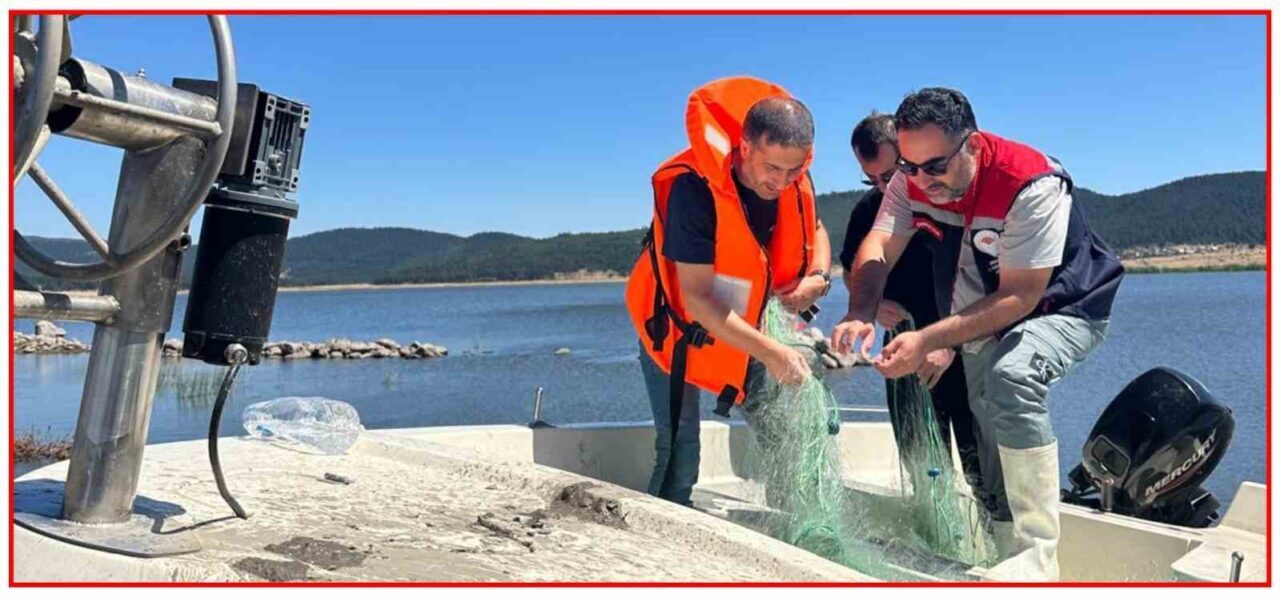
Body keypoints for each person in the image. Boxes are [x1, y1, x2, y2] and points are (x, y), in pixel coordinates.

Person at [833, 88, 1123, 580]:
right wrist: (861, 308)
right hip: (985, 312)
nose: (923, 180)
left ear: (972, 143)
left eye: (936, 166)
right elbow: (878, 245)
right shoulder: (911, 180)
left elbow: (1020, 297)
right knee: (983, 415)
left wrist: (928, 339)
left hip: (1065, 306)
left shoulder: (1031, 183)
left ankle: (1038, 554)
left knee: (1011, 378)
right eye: (910, 166)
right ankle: (1007, 547)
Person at [626, 76, 832, 507]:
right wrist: (775, 353)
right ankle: (660, 554)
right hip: (675, 331)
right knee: (680, 457)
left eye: (794, 169)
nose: (782, 181)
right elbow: (698, 298)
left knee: (783, 440)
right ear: (744, 148)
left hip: (742, 329)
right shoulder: (692, 190)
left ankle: (791, 538)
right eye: (772, 168)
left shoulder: (792, 181)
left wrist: (818, 275)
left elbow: (815, 228)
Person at [841, 112, 981, 492]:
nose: (883, 188)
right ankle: (938, 541)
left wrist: (948, 345)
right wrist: (874, 302)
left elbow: (986, 283)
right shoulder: (868, 210)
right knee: (923, 466)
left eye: (889, 176)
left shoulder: (948, 199)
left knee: (980, 463)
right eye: (871, 180)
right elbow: (851, 268)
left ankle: (995, 543)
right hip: (902, 350)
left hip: (963, 347)